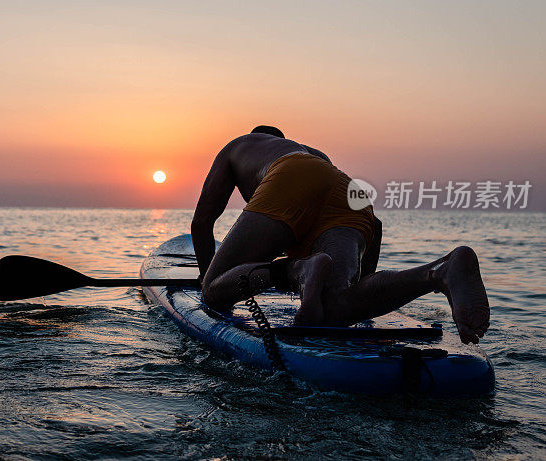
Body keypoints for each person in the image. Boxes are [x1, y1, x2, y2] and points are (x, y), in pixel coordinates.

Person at [190, 126, 490, 344]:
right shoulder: (313, 153)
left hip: (290, 180)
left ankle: (297, 270)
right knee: (333, 308)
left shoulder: (240, 145)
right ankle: (439, 272)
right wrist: (358, 292)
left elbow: (202, 222)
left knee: (215, 292)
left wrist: (207, 281)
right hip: (347, 190)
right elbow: (377, 226)